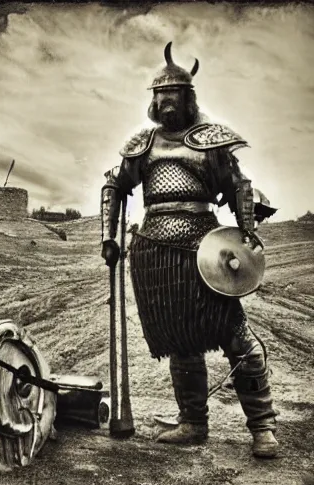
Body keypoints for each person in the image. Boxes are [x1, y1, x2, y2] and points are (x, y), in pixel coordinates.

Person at [100, 42, 278, 458]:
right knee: (181, 341)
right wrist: (108, 237)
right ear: (153, 101)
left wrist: (247, 228)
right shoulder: (142, 146)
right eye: (160, 99)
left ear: (188, 99)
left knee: (236, 336)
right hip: (156, 255)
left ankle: (263, 427)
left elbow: (239, 184)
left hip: (205, 249)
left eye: (174, 98)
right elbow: (114, 184)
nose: (166, 106)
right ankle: (193, 423)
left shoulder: (210, 142)